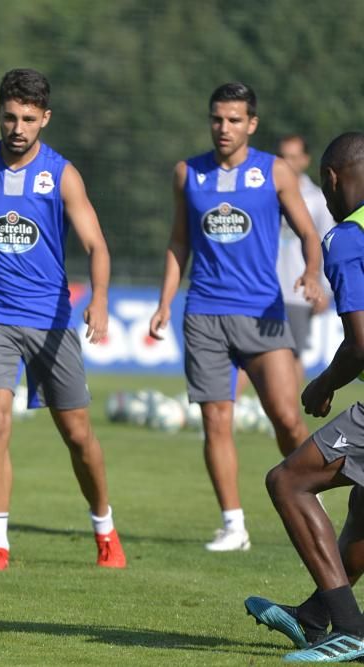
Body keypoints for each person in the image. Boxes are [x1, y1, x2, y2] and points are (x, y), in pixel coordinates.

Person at [0, 68, 126, 572]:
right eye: (9, 116)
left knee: (77, 435)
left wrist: (101, 299)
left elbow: (95, 244)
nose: (18, 127)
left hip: (51, 321)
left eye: (28, 118)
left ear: (44, 118)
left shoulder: (62, 173)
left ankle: (104, 527)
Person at [148, 82, 323, 552]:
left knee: (286, 417)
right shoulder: (188, 173)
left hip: (262, 314)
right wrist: (166, 300)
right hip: (203, 314)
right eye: (217, 119)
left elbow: (309, 233)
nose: (223, 128)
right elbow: (178, 242)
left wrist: (310, 272)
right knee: (217, 421)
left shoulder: (274, 172)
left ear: (252, 124)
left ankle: (313, 500)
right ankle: (233, 525)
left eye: (233, 120)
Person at [243, 131, 364, 662]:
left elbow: (362, 343)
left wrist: (322, 385)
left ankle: (350, 629)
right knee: (363, 505)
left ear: (332, 180)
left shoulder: (348, 238)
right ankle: (316, 615)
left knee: (288, 481)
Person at [277, 135, 337, 385]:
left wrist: (324, 288)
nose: (286, 162)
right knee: (251, 355)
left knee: (292, 355)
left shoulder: (316, 199)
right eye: (282, 156)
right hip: (263, 288)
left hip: (297, 292)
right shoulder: (267, 193)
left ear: (304, 160)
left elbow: (328, 243)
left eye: (292, 157)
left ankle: (289, 419)